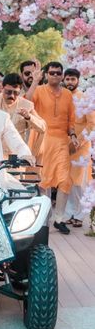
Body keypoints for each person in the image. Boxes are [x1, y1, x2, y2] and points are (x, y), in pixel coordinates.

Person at [32, 62, 79, 235]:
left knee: (64, 180)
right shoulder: (39, 90)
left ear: (61, 75)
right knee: (44, 181)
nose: (55, 76)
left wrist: (73, 135)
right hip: (43, 139)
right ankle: (44, 218)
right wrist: (35, 82)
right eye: (52, 73)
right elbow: (26, 103)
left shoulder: (67, 94)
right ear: (47, 75)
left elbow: (71, 120)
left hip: (61, 141)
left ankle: (59, 219)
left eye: (58, 73)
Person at [63, 68, 95, 227]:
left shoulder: (84, 98)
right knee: (67, 181)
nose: (69, 82)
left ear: (78, 81)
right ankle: (69, 214)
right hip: (65, 145)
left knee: (79, 182)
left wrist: (78, 142)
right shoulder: (62, 97)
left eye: (72, 79)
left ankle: (81, 215)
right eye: (67, 79)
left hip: (81, 147)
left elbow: (91, 124)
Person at [0, 73, 46, 157]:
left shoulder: (26, 105)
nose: (12, 95)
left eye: (16, 93)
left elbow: (43, 127)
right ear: (2, 88)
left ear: (20, 90)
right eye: (8, 92)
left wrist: (29, 117)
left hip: (15, 157)